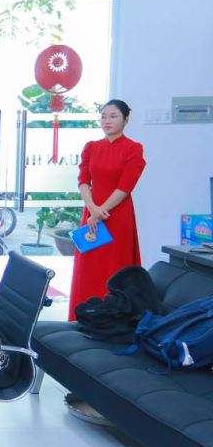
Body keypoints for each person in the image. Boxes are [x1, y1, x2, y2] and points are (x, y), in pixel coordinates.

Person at [68, 99, 146, 321]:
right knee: (87, 267)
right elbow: (83, 181)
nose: (107, 121)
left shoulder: (133, 148)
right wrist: (93, 209)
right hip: (92, 215)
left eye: (113, 116)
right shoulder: (91, 147)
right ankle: (82, 317)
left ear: (126, 120)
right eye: (103, 116)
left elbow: (126, 186)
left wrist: (100, 211)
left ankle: (113, 319)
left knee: (114, 267)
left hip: (117, 216)